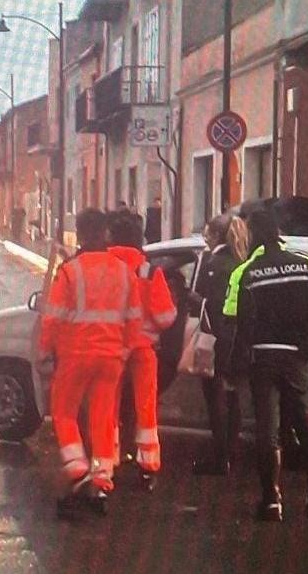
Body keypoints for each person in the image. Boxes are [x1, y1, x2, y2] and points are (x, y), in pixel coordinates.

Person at [224, 210, 308, 522]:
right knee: (306, 423)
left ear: (256, 237)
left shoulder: (250, 273)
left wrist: (234, 369)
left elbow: (243, 327)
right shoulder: (306, 265)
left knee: (267, 429)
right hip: (297, 357)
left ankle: (271, 502)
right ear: (279, 234)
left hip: (263, 358)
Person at [38, 208, 142, 518]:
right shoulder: (123, 271)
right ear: (105, 234)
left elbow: (53, 317)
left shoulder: (70, 271)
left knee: (64, 412)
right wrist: (125, 350)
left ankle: (78, 470)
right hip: (111, 358)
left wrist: (44, 350)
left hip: (75, 356)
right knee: (102, 419)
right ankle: (100, 482)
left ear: (81, 235)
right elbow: (133, 319)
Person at [108, 214, 177, 491]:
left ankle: (107, 460)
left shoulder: (103, 269)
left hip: (110, 348)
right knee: (145, 407)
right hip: (143, 349)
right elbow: (165, 317)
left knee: (107, 406)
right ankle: (147, 466)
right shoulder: (149, 272)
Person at [191, 213, 249, 476]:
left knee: (216, 400)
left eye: (207, 234)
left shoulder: (214, 263)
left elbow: (211, 304)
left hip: (218, 339)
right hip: (240, 339)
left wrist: (191, 298)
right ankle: (232, 452)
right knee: (232, 395)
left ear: (215, 236)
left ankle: (220, 457)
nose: (205, 238)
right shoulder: (242, 260)